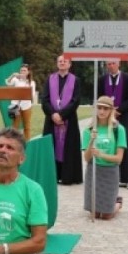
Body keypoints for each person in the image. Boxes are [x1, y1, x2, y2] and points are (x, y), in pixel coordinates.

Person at [82, 96, 126, 219]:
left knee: (107, 215)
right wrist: (91, 140)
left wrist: (101, 154)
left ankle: (117, 203)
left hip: (110, 172)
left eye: (105, 109)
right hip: (94, 171)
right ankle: (105, 204)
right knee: (94, 214)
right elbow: (86, 158)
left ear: (111, 110)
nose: (101, 112)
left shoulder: (119, 129)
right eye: (99, 108)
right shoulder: (89, 130)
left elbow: (119, 159)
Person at [41, 54, 82, 185]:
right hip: (51, 120)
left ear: (70, 64)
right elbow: (45, 99)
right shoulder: (50, 79)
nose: (62, 63)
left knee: (69, 148)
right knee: (51, 146)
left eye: (65, 61)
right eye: (60, 61)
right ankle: (52, 175)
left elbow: (76, 101)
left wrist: (62, 115)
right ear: (57, 63)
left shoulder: (76, 80)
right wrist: (53, 114)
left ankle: (68, 176)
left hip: (69, 119)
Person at [98, 60, 128, 188]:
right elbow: (99, 97)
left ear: (119, 64)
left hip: (123, 115)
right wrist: (107, 110)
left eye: (113, 63)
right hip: (106, 116)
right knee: (108, 143)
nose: (111, 66)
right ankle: (111, 176)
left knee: (126, 144)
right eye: (108, 64)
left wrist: (118, 110)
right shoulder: (102, 79)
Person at [5, 64, 37, 140]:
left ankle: (27, 143)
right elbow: (7, 82)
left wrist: (26, 82)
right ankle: (13, 142)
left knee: (27, 127)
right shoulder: (15, 80)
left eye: (24, 70)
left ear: (28, 72)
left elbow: (31, 94)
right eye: (21, 70)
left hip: (26, 106)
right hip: (16, 106)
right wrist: (12, 75)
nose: (22, 72)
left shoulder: (31, 82)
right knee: (15, 126)